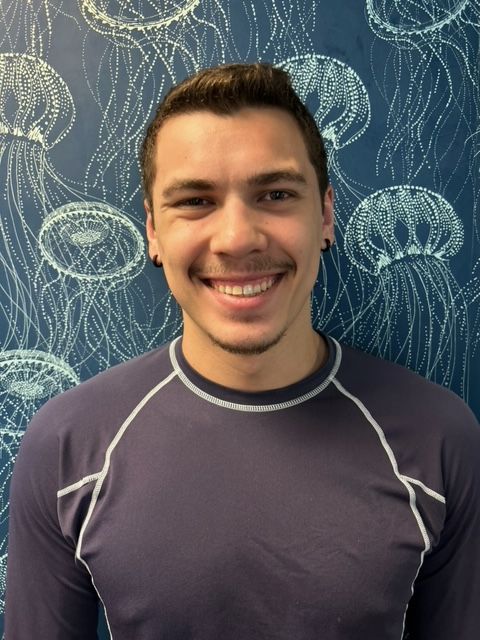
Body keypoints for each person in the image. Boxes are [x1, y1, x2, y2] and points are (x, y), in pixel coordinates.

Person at [5, 62, 480, 640]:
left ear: (325, 216)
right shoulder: (66, 447)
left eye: (276, 194)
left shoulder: (442, 438)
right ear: (153, 232)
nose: (236, 239)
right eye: (196, 202)